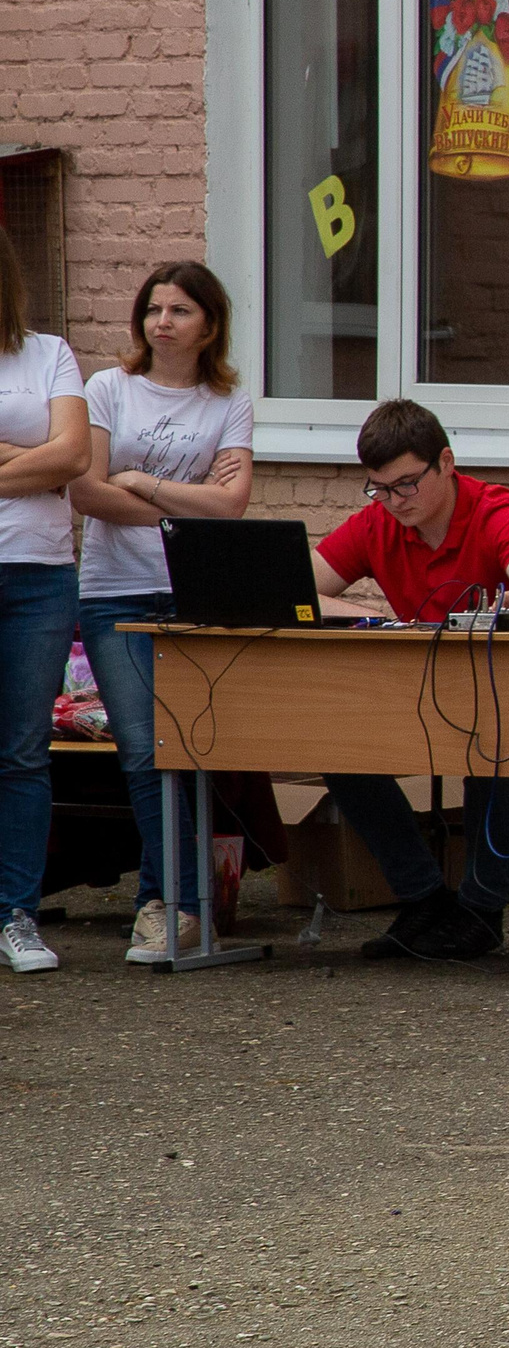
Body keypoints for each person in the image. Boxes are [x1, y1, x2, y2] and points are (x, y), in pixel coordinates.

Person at [309, 399, 509, 962]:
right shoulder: (378, 523)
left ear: (447, 463)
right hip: (433, 696)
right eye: (378, 489)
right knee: (336, 744)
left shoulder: (497, 511)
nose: (393, 502)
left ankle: (482, 912)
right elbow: (291, 586)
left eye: (406, 485)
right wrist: (361, 614)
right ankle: (425, 899)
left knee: (499, 742)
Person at [68, 261, 254, 962]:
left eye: (179, 310)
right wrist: (188, 499)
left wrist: (141, 481)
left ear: (209, 323)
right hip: (113, 589)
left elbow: (232, 507)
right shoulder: (108, 388)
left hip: (196, 592)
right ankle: (181, 901)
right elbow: (87, 493)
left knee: (194, 746)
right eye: (153, 309)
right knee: (145, 750)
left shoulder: (226, 402)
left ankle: (159, 904)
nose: (162, 322)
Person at [0, 226, 90, 974]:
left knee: (24, 750)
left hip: (38, 573)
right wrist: (37, 466)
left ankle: (17, 915)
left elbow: (76, 455)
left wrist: (41, 462)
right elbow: (52, 460)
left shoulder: (49, 352)